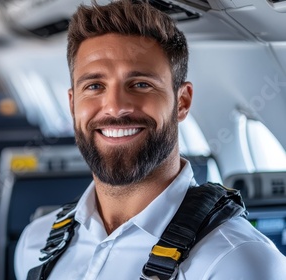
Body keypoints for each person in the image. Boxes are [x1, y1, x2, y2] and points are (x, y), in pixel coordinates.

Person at [15, 1, 286, 279]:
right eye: (94, 86)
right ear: (73, 105)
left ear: (182, 102)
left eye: (141, 84)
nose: (115, 107)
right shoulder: (35, 244)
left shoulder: (236, 263)